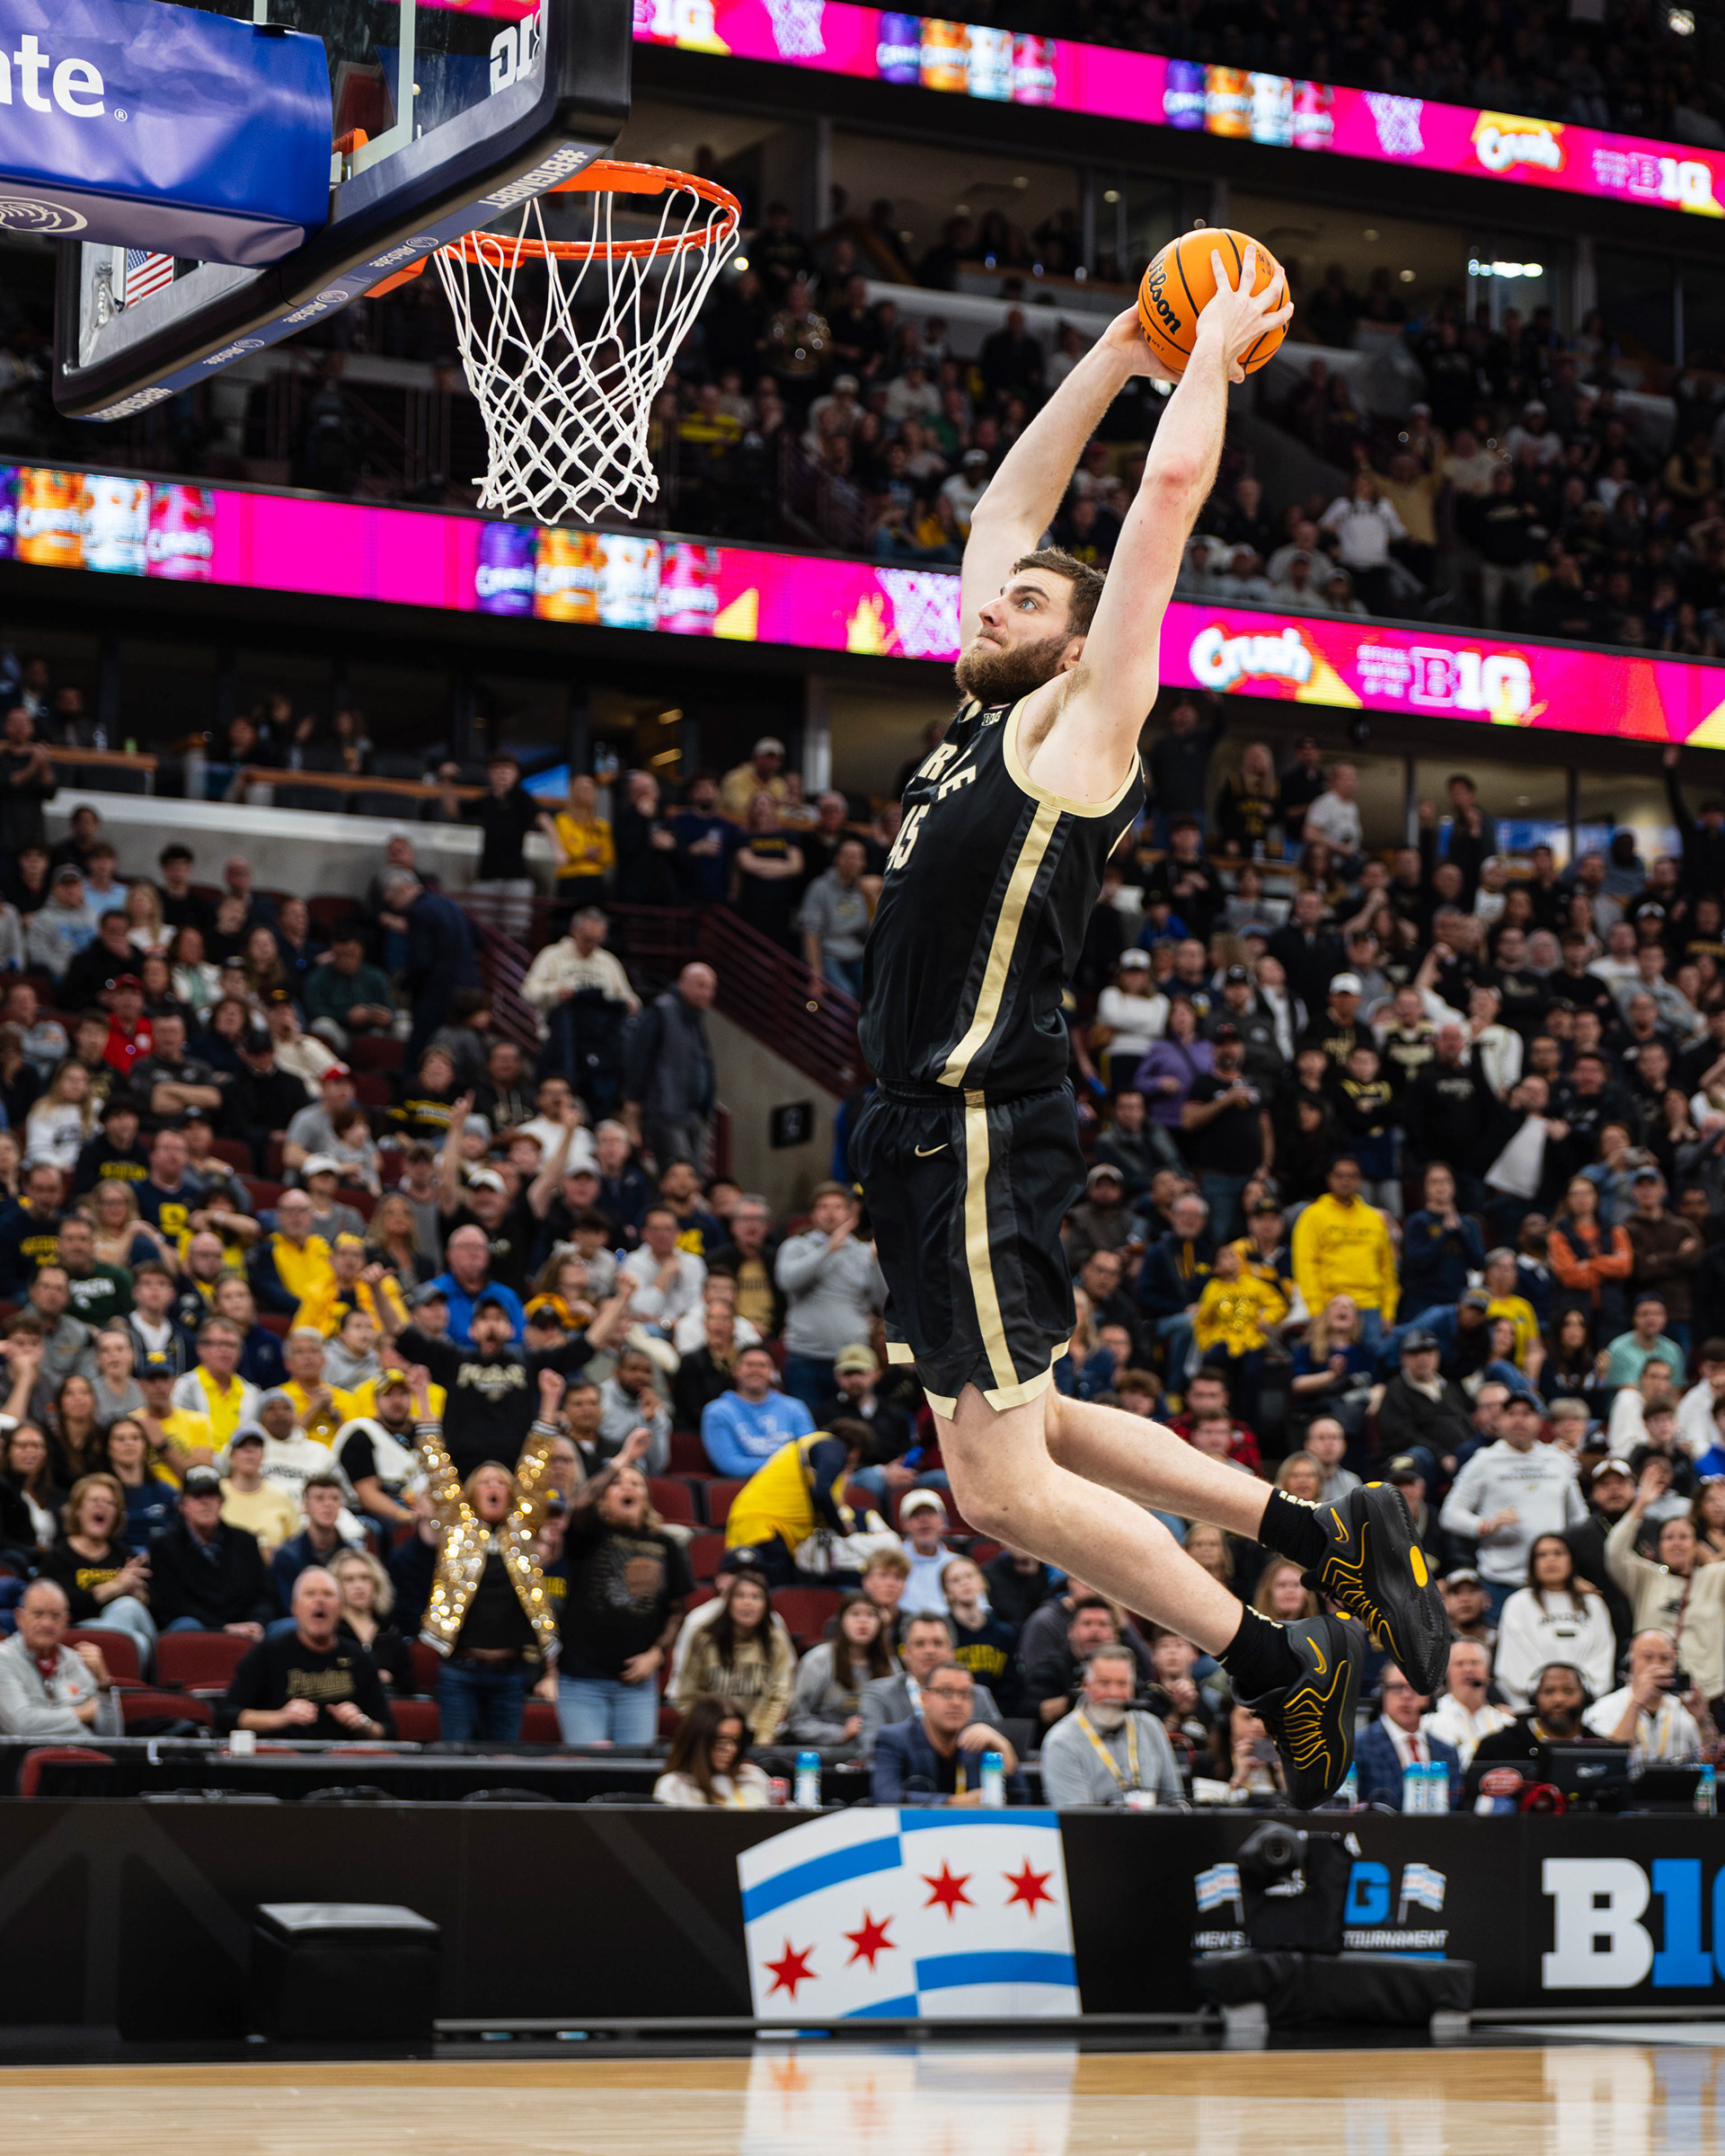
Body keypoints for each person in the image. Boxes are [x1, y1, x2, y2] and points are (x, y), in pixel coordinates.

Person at [412, 1365, 565, 1744]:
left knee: (506, 1763)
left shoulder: (522, 1528)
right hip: (460, 1668)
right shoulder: (456, 1523)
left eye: (502, 1482)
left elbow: (535, 1466)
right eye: (486, 1482)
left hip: (511, 1672)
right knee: (455, 1759)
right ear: (470, 1493)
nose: (495, 1486)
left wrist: (549, 1402)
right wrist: (421, 1398)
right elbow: (437, 1465)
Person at [555, 1427, 692, 1745]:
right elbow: (580, 1502)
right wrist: (623, 1460)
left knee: (633, 1775)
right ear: (605, 1495)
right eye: (617, 1484)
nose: (626, 1487)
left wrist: (657, 1654)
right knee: (588, 1770)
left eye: (635, 1483)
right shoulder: (588, 1534)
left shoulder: (666, 1544)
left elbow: (677, 1610)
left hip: (637, 1685)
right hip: (582, 1680)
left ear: (645, 1496)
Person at [1438, 1391, 1588, 1617]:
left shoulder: (1559, 1461)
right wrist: (1485, 1525)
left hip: (1553, 1582)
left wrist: (1573, 1567)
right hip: (1502, 1581)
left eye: (1527, 1413)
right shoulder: (1484, 1461)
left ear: (1540, 1422)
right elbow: (1450, 1514)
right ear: (1499, 1421)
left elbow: (1579, 1519)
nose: (1519, 1419)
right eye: (1511, 1413)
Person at [221, 1566, 394, 1739]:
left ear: (341, 1608)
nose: (320, 1601)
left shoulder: (360, 1658)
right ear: (295, 1608)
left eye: (327, 1594)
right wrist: (281, 1717)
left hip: (344, 1761)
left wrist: (363, 1723)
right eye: (310, 1594)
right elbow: (227, 1717)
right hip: (283, 1760)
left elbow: (387, 1730)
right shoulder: (266, 1653)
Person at [774, 1180, 887, 1411]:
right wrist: (827, 1250)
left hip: (851, 1359)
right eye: (823, 1207)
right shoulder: (797, 1246)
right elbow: (787, 1281)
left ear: (850, 1212)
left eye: (837, 1207)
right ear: (813, 1215)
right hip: (805, 1357)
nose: (830, 1213)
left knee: (853, 1430)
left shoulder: (864, 1252)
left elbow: (884, 1302)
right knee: (810, 1431)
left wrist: (877, 1264)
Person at [721, 1418, 871, 1586]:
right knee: (777, 1593)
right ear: (856, 1450)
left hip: (755, 1523)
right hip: (768, 1526)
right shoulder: (832, 1445)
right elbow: (821, 1491)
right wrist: (840, 1527)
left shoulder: (810, 1445)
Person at [35, 1472, 158, 1669]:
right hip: (77, 1635)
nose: (101, 1506)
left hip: (124, 1631)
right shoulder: (58, 1556)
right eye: (94, 1500)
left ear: (117, 1514)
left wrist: (140, 1595)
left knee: (133, 1614)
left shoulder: (125, 1556)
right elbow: (59, 1606)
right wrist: (113, 1587)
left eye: (109, 1503)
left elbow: (158, 1608)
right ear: (77, 1510)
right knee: (134, 1630)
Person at [1039, 1638, 1182, 1807]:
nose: (1113, 1693)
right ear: (1086, 1685)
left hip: (1157, 1830)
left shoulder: (1151, 1727)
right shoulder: (1062, 1741)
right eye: (1104, 1683)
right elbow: (1077, 1819)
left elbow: (1174, 1801)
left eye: (1122, 1684)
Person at [870, 1657, 1024, 1805]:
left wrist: (1005, 1747)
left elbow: (1022, 1803)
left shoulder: (982, 1742)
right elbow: (885, 1796)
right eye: (946, 1692)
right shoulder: (894, 1738)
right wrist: (953, 1803)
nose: (956, 1702)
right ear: (924, 1698)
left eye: (965, 1694)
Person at [671, 1561, 796, 1743]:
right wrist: (710, 1732)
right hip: (709, 1736)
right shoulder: (704, 1638)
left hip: (759, 1737)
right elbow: (687, 1695)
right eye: (740, 1596)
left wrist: (763, 1736)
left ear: (766, 1604)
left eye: (756, 1597)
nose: (748, 1603)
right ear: (728, 1602)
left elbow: (780, 1696)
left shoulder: (776, 1640)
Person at [146, 1465, 279, 1635]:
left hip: (249, 1627)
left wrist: (256, 1623)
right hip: (200, 1629)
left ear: (221, 1502)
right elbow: (172, 1605)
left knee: (287, 1628)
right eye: (197, 1496)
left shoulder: (245, 1542)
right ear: (182, 1506)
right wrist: (222, 1628)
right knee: (186, 1627)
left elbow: (264, 1595)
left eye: (211, 1495)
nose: (205, 1502)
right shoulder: (164, 1546)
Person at [1493, 1533, 1618, 1708]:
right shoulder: (1518, 1603)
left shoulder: (1593, 1605)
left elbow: (1603, 1653)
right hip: (1532, 1706)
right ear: (1532, 1563)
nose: (1551, 1560)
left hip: (1587, 1706)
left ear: (1571, 1560)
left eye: (1558, 1553)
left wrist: (1578, 1693)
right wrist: (1547, 1694)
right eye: (1542, 1555)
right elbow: (1513, 1660)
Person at [859, 1609, 1009, 1754]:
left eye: (938, 1643)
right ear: (904, 1653)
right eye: (920, 1644)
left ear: (952, 1652)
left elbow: (1001, 1744)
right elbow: (871, 1747)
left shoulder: (977, 1695)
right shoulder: (879, 1694)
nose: (929, 1650)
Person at [621, 962, 717, 1171]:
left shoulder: (696, 1019)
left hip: (694, 1111)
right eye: (701, 985)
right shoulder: (662, 1010)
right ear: (682, 983)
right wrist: (634, 1099)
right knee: (677, 1172)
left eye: (711, 988)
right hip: (665, 1109)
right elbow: (639, 1056)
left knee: (696, 1175)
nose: (707, 993)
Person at [0, 1577, 121, 1737]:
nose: (47, 1624)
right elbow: (22, 1725)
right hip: (24, 1759)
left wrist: (104, 1685)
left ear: (66, 1621)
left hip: (83, 1757)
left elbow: (113, 1737)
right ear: (20, 1618)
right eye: (38, 1614)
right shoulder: (4, 1659)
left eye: (55, 1616)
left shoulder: (77, 1661)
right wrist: (82, 1713)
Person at [784, 1590, 894, 1754]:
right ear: (841, 1621)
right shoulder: (818, 1661)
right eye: (855, 1614)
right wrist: (840, 1732)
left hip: (877, 1753)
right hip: (824, 1753)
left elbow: (900, 1717)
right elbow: (797, 1721)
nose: (863, 1621)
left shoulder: (890, 1664)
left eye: (871, 1615)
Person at [1584, 1627, 1710, 1758]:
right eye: (1648, 1657)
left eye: (1665, 1658)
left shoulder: (1682, 1708)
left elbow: (1709, 1761)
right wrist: (1636, 1705)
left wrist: (1702, 1721)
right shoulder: (1603, 1708)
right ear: (1629, 1663)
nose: (1657, 1665)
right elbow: (1611, 1761)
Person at [1352, 1664, 1462, 1809]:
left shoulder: (1447, 1752)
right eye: (1397, 1687)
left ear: (1429, 1696)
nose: (1406, 1696)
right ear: (1382, 1693)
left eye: (1415, 1688)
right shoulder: (1358, 1746)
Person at [652, 1693, 770, 1808]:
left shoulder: (754, 1777)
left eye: (736, 1741)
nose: (731, 1749)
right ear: (698, 1742)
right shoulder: (674, 1786)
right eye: (721, 1740)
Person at [331, 1546, 413, 1693]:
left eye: (365, 1578)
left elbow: (408, 1687)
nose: (358, 1586)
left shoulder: (391, 1633)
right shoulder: (329, 1633)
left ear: (376, 1584)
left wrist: (390, 1678)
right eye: (348, 1579)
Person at [1422, 1639, 1514, 1767]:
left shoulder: (1505, 1722)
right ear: (1446, 1673)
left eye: (1475, 1663)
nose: (1468, 1669)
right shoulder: (1430, 1722)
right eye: (1459, 1664)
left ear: (1488, 1672)